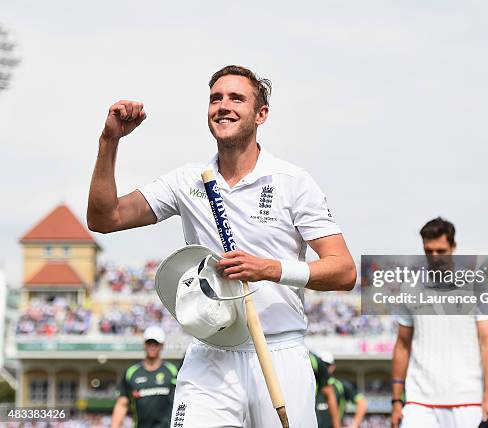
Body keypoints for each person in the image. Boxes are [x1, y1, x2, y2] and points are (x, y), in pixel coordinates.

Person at [88, 65, 357, 427]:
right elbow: (105, 218)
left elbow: (343, 270)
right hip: (210, 354)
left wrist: (270, 269)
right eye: (216, 98)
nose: (223, 105)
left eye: (236, 98)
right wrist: (110, 142)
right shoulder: (185, 181)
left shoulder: (293, 182)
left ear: (261, 114)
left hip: (279, 352)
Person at [390, 217, 488, 428]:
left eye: (440, 251)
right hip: (418, 401)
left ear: (453, 247)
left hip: (467, 400)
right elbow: (402, 345)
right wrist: (396, 401)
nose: (434, 256)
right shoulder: (410, 287)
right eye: (428, 250)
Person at [111, 326, 177, 428]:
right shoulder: (131, 373)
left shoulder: (172, 371)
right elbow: (121, 405)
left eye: (156, 343)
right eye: (149, 343)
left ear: (162, 345)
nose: (152, 346)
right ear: (144, 344)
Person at [316, 351, 368, 428]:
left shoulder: (341, 385)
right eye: (321, 366)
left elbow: (362, 403)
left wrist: (355, 424)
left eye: (326, 365)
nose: (323, 369)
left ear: (332, 367)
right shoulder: (312, 386)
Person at [310, 351, 341, 428]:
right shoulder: (312, 382)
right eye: (323, 365)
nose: (325, 368)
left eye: (327, 365)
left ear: (333, 366)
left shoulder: (338, 386)